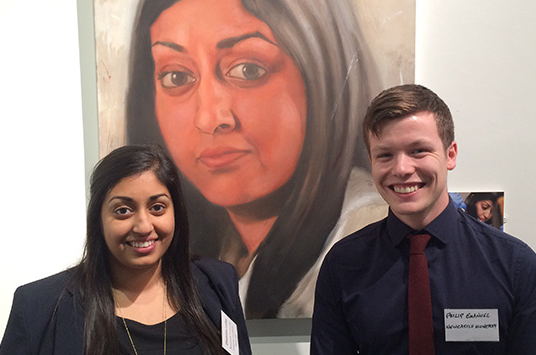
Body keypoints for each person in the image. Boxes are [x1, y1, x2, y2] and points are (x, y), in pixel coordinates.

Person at [125, 0, 387, 318]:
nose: (209, 118)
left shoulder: (368, 239)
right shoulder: (219, 250)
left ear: (319, 72)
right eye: (176, 77)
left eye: (248, 70)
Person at [311, 84, 536, 355]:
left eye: (418, 150)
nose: (402, 169)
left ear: (450, 154)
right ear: (371, 163)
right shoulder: (343, 265)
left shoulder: (515, 265)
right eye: (385, 155)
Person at [0, 145, 251, 355]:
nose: (143, 226)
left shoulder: (217, 283)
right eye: (123, 210)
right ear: (98, 218)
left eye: (158, 208)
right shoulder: (38, 307)